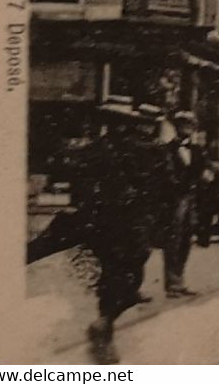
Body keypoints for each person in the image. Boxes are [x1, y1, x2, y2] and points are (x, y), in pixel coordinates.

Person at [70, 97, 160, 364]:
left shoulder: (132, 149)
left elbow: (149, 182)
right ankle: (105, 335)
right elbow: (81, 187)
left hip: (126, 222)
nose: (122, 127)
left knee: (129, 279)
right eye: (117, 122)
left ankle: (104, 324)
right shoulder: (100, 150)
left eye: (125, 122)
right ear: (109, 123)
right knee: (115, 278)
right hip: (112, 223)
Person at [159, 110, 203, 297]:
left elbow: (202, 173)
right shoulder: (167, 149)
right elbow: (165, 177)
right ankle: (171, 284)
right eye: (184, 125)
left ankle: (180, 279)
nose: (187, 129)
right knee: (173, 241)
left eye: (190, 125)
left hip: (191, 201)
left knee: (186, 240)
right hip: (175, 201)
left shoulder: (197, 150)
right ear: (177, 128)